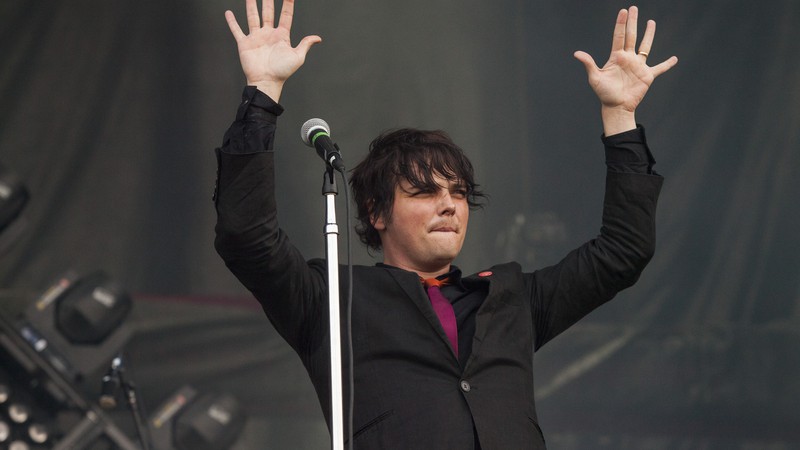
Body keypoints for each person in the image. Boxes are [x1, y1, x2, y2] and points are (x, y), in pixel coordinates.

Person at [213, 0, 677, 448]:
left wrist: (620, 118)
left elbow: (624, 251)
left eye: (458, 193)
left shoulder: (511, 300)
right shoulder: (331, 301)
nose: (449, 205)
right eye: (425, 192)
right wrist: (262, 94)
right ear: (377, 212)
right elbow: (247, 236)